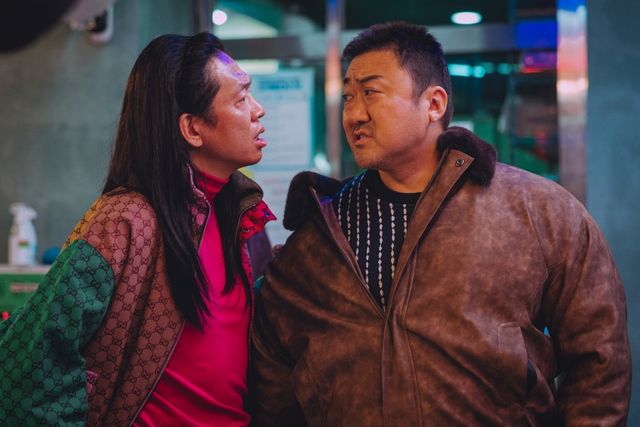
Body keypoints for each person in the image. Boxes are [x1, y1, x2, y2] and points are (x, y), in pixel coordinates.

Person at [252, 21, 631, 426]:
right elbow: (274, 379)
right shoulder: (321, 231)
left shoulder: (537, 209)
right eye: (347, 97)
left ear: (433, 104)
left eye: (371, 93)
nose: (354, 114)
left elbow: (599, 359)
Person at [0, 32, 275, 426]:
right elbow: (32, 356)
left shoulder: (240, 216)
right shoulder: (125, 220)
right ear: (192, 128)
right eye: (241, 98)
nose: (258, 110)